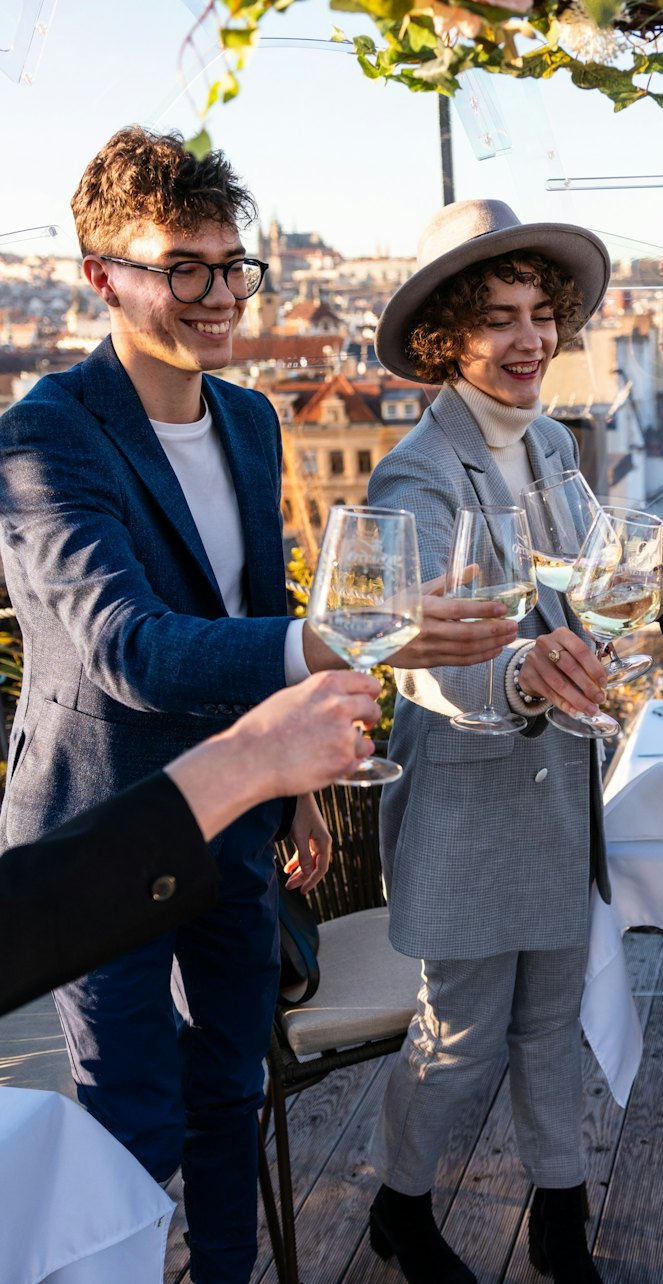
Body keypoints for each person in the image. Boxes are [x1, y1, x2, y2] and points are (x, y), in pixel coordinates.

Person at [0, 128, 516, 1284]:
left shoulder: (247, 419)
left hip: (240, 820)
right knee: (127, 1118)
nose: (221, 293)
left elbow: (255, 598)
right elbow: (126, 648)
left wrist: (298, 790)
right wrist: (351, 642)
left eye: (234, 264)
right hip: (103, 832)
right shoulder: (44, 432)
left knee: (232, 1092)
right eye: (185, 266)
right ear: (102, 278)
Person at [365, 199, 614, 1284]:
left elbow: (588, 589)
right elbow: (417, 650)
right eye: (499, 319)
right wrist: (516, 672)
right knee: (459, 1040)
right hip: (469, 800)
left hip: (562, 786)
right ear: (449, 339)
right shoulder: (415, 475)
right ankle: (398, 1206)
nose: (529, 341)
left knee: (551, 1025)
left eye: (540, 314)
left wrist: (613, 632)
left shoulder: (554, 441)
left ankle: (561, 1216)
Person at [1, 671, 381, 1017]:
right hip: (98, 826)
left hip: (244, 839)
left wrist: (295, 791)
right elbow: (128, 644)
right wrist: (255, 755)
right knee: (130, 1077)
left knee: (237, 1062)